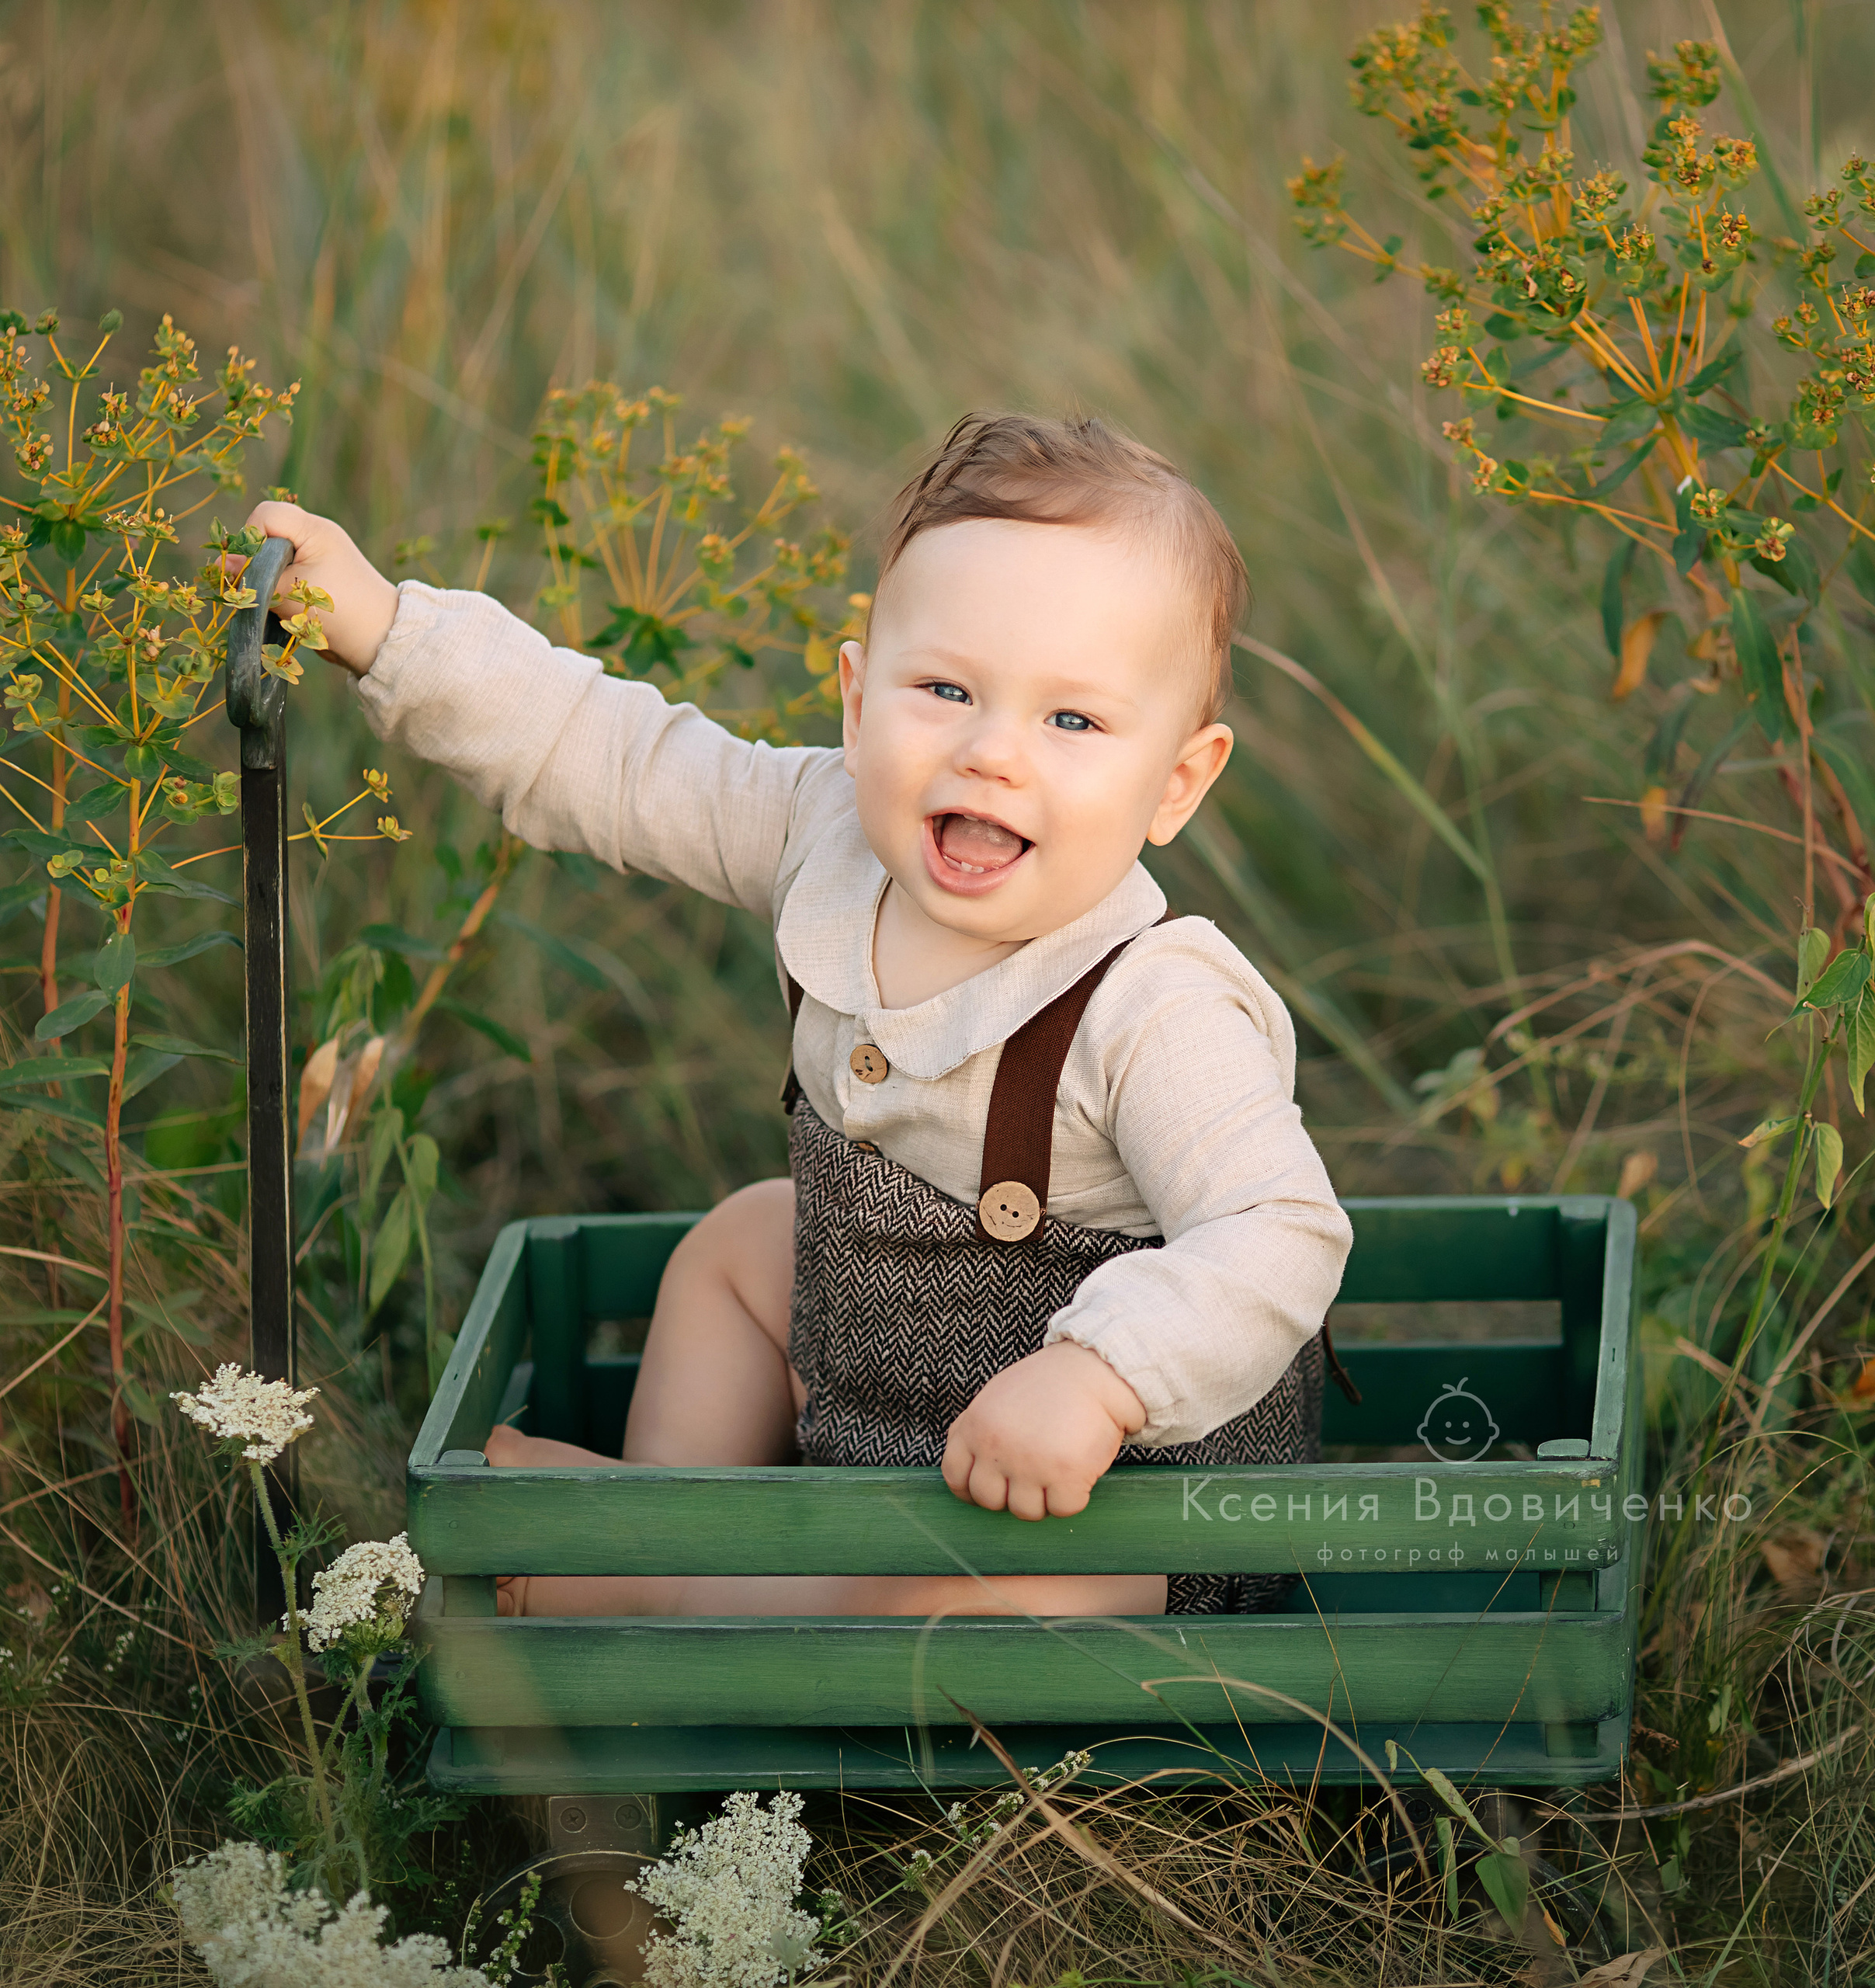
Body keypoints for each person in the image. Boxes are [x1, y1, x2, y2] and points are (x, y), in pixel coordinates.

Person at [246, 412, 1354, 1622]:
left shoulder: (1156, 1004)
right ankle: (673, 1526)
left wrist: (1100, 1379)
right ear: (857, 697)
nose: (992, 754)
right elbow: (613, 757)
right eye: (944, 689)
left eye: (1071, 721)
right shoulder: (821, 833)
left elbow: (1278, 1230)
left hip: (1120, 1498)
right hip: (889, 1392)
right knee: (740, 1246)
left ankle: (645, 1598)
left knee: (984, 1605)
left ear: (1177, 783)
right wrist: (389, 634)